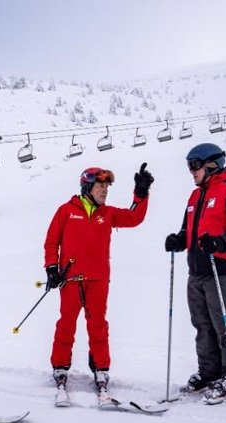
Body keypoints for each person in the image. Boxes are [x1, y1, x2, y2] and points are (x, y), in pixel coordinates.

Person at [44, 164, 154, 394]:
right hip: (71, 279)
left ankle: (101, 368)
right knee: (66, 323)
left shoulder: (109, 213)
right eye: (100, 186)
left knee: (98, 326)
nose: (105, 191)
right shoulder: (66, 211)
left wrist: (141, 194)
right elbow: (52, 241)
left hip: (98, 279)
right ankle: (60, 366)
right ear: (87, 187)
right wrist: (52, 269)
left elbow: (134, 217)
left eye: (107, 187)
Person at [164, 143, 226, 399]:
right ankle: (210, 372)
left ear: (211, 164)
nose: (191, 171)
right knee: (202, 324)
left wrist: (222, 241)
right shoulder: (195, 196)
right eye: (189, 166)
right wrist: (178, 240)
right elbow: (188, 232)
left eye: (194, 165)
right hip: (198, 269)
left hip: (225, 268)